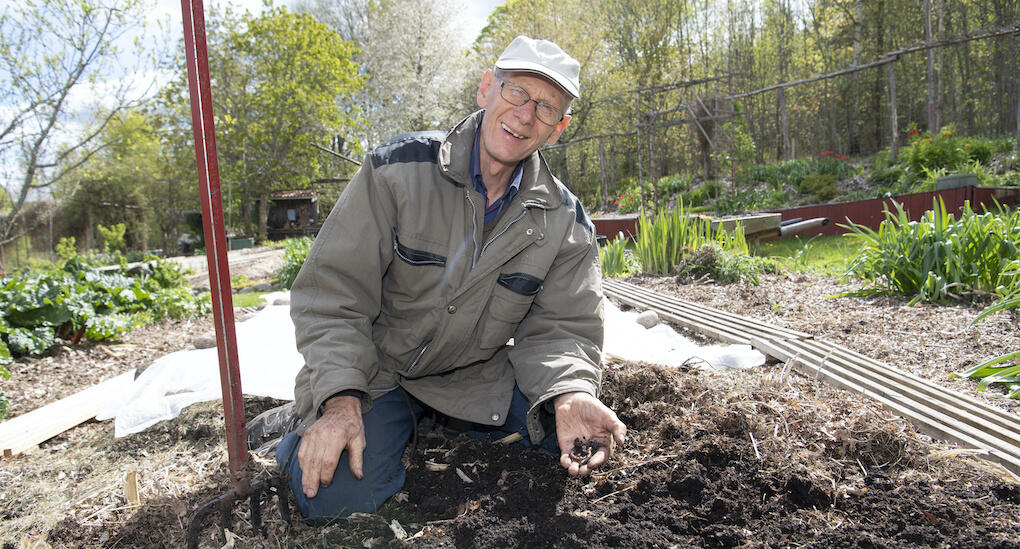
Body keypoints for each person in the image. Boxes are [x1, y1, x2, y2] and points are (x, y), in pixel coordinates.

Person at [268, 35, 626, 521]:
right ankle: (298, 430)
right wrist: (339, 399)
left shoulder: (563, 219)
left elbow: (564, 326)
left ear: (558, 129)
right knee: (332, 499)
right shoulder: (397, 171)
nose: (525, 115)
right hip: (376, 372)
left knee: (563, 443)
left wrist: (572, 392)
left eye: (546, 108)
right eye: (517, 92)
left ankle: (431, 424)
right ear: (486, 88)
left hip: (472, 377)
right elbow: (333, 296)